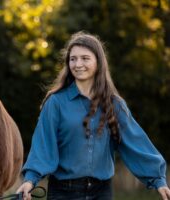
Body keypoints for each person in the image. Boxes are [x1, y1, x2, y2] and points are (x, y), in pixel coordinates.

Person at [16, 32, 170, 200]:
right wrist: (30, 180)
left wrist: (158, 180)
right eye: (73, 59)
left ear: (98, 62)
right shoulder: (56, 103)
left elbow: (136, 143)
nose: (78, 64)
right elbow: (43, 145)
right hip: (63, 193)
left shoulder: (114, 105)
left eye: (85, 58)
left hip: (101, 193)